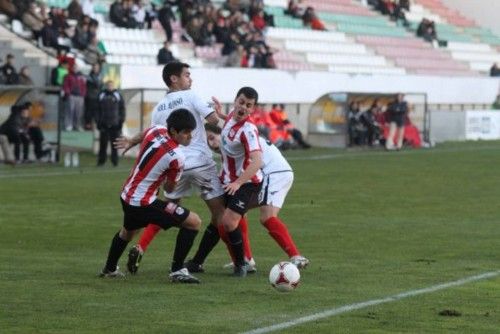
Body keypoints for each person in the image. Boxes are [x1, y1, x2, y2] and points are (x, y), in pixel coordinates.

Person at [114, 61, 226, 276]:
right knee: (222, 215)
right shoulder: (192, 96)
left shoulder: (158, 109)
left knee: (168, 211)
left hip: (176, 165)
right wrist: (236, 128)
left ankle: (140, 247)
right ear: (173, 79)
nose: (190, 79)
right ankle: (239, 261)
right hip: (201, 164)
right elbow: (213, 119)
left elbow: (151, 131)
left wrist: (131, 141)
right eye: (186, 75)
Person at [187, 123, 310, 271]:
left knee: (264, 216)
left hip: (274, 172)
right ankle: (245, 260)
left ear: (222, 133)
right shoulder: (234, 137)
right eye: (208, 142)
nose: (212, 144)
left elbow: (254, 163)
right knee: (232, 212)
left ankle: (296, 257)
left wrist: (235, 183)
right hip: (271, 172)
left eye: (212, 138)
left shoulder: (235, 141)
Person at [99, 108, 202, 283]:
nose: (189, 137)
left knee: (127, 233)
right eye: (186, 133)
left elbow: (145, 132)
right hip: (143, 203)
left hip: (126, 196)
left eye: (191, 132)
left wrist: (132, 141)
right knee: (193, 222)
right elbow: (170, 189)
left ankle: (109, 269)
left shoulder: (158, 130)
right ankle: (177, 271)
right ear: (173, 131)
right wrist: (172, 179)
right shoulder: (177, 157)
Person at [96, 81, 125, 167]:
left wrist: (121, 121)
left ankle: (115, 161)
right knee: (103, 144)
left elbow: (122, 109)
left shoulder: (118, 95)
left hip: (115, 124)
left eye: (111, 85)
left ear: (114, 86)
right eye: (108, 85)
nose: (110, 87)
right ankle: (101, 161)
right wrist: (98, 122)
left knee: (115, 144)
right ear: (106, 86)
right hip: (104, 123)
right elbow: (97, 109)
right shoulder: (101, 95)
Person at [62, 64, 87, 131]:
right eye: (74, 67)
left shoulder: (81, 76)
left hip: (80, 96)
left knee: (79, 112)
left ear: (78, 68)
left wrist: (83, 94)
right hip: (71, 96)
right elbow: (65, 85)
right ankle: (68, 125)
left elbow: (84, 86)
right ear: (72, 68)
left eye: (76, 67)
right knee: (70, 111)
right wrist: (68, 93)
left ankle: (77, 125)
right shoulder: (68, 76)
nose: (75, 68)